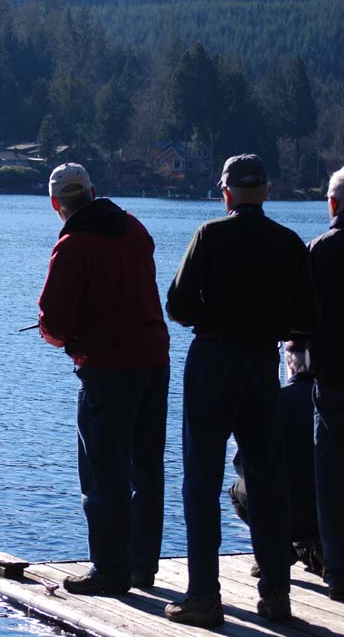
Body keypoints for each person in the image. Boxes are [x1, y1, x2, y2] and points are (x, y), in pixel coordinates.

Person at [165, 154, 312, 626]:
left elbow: (178, 305)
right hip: (260, 364)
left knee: (201, 483)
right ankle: (276, 596)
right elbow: (305, 318)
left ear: (225, 192)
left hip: (210, 360)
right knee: (268, 481)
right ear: (266, 192)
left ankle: (204, 597)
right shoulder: (289, 243)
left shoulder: (210, 235)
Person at [38, 163, 170, 596]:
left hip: (108, 370)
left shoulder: (73, 245)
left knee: (103, 472)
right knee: (147, 468)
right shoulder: (134, 228)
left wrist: (59, 335)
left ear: (56, 203)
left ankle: (110, 571)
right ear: (93, 192)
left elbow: (53, 324)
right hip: (154, 362)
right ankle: (142, 567)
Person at [227, 339, 322, 578]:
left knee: (238, 491)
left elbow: (243, 465)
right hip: (325, 510)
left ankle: (277, 551)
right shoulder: (329, 404)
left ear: (289, 364)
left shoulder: (274, 402)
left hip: (282, 508)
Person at [308, 166, 344, 603]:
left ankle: (338, 573)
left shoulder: (318, 250)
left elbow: (297, 318)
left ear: (332, 205)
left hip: (333, 377)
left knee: (332, 478)